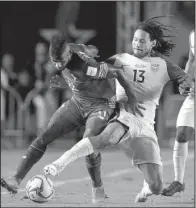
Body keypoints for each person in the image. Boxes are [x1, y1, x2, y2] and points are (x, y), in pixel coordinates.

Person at [43, 17, 193, 203]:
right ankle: (58, 165)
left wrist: (186, 86)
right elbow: (91, 79)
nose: (137, 43)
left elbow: (185, 79)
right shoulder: (120, 59)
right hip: (124, 115)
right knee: (106, 138)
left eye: (142, 40)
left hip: (146, 126)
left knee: (156, 187)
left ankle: (146, 187)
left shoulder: (164, 65)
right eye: (135, 39)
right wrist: (67, 81)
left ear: (153, 43)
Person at [1, 34, 141, 204]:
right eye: (54, 61)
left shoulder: (87, 67)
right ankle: (15, 179)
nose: (58, 64)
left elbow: (117, 72)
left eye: (61, 61)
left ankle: (98, 188)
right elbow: (84, 51)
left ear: (68, 55)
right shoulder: (69, 48)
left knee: (87, 143)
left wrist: (132, 98)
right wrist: (87, 53)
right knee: (45, 134)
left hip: (100, 106)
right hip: (78, 102)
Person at [161, 30, 195, 196]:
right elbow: (192, 59)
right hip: (193, 96)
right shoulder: (193, 34)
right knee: (181, 134)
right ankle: (178, 181)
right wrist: (185, 80)